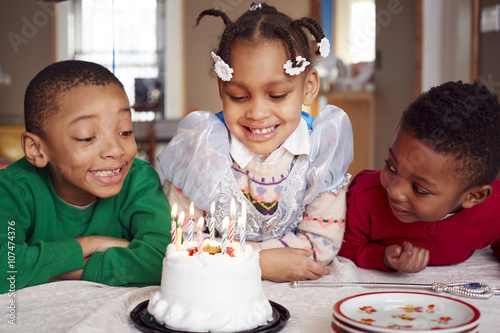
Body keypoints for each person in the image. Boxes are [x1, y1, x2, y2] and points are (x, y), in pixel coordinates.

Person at [158, 2, 353, 282]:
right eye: (238, 97)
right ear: (222, 89)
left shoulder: (322, 150)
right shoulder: (200, 151)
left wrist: (226, 256)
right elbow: (181, 242)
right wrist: (258, 262)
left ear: (308, 87)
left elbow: (321, 245)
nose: (258, 113)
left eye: (277, 96)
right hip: (216, 293)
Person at [0, 60, 171, 293]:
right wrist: (90, 244)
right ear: (36, 149)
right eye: (87, 137)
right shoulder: (12, 189)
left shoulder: (138, 180)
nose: (115, 150)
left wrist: (59, 269)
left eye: (125, 131)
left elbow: (165, 262)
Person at [339, 81, 500, 273]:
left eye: (419, 189)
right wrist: (383, 257)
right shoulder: (363, 198)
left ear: (473, 197)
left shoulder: (495, 208)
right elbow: (343, 248)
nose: (395, 191)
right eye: (391, 166)